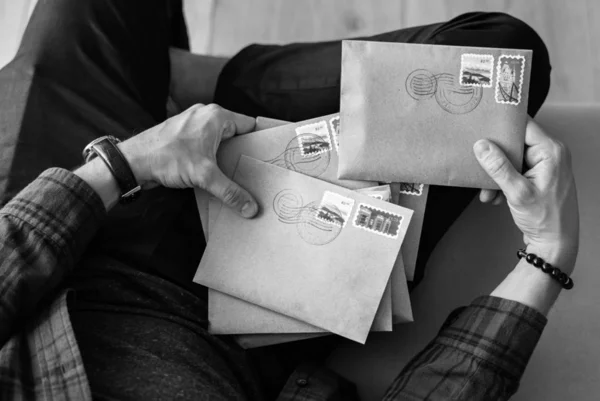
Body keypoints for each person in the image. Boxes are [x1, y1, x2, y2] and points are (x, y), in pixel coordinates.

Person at [0, 0, 578, 400]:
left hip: (70, 244)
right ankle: (186, 82)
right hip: (251, 309)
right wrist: (547, 254)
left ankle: (173, 90)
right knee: (500, 56)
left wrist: (122, 164)